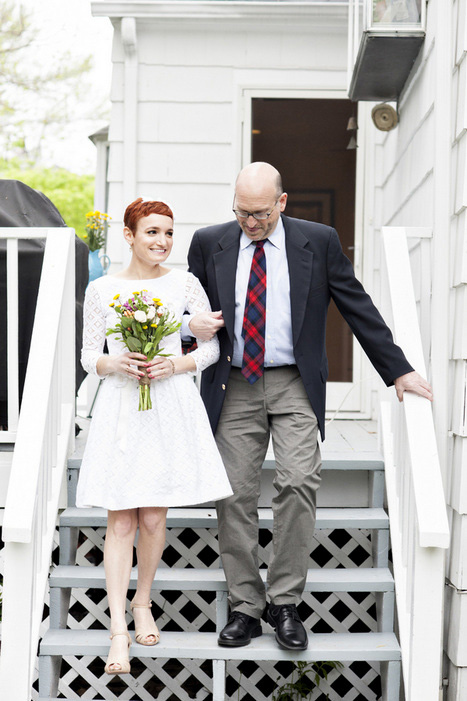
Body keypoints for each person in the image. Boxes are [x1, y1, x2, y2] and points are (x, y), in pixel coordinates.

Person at [185, 162, 433, 651]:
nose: (249, 223)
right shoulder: (209, 241)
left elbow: (355, 302)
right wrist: (184, 336)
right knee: (233, 492)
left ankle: (283, 602)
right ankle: (245, 607)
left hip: (294, 381)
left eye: (259, 213)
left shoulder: (318, 241)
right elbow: (187, 310)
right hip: (232, 382)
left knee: (298, 480)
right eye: (241, 212)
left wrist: (397, 368)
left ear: (281, 202)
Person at [76, 198, 232, 675]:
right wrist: (112, 362)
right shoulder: (103, 289)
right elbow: (87, 355)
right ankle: (118, 630)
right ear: (128, 235)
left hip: (169, 404)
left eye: (168, 232)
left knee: (153, 517)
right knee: (120, 520)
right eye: (152, 232)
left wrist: (175, 363)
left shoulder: (185, 284)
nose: (162, 241)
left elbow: (210, 347)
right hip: (123, 406)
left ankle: (143, 600)